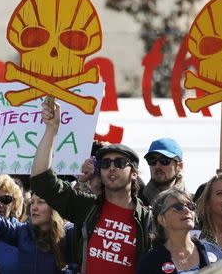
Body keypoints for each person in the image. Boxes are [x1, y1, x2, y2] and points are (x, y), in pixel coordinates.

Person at [30, 101, 151, 274]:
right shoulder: (87, 207)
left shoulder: (149, 220)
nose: (111, 167)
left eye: (120, 162)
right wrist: (51, 130)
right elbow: (42, 180)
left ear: (134, 173)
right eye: (105, 163)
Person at [137, 188, 222, 273]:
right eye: (178, 207)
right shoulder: (150, 262)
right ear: (162, 219)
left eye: (190, 206)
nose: (187, 210)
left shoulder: (213, 251)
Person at [142, 138, 185, 205]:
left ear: (179, 166)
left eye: (165, 160)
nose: (157, 166)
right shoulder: (134, 202)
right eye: (152, 160)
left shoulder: (192, 205)